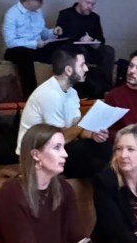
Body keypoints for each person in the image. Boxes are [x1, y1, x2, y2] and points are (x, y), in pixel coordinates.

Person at [16, 49, 110, 179]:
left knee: (103, 147)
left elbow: (76, 128)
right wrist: (85, 121)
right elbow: (60, 138)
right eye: (82, 65)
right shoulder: (49, 94)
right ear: (68, 70)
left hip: (57, 147)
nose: (86, 69)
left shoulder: (72, 93)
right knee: (94, 162)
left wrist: (93, 135)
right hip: (36, 155)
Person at [3, 0, 63, 98]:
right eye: (39, 0)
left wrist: (53, 32)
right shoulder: (12, 14)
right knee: (24, 54)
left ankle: (61, 92)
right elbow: (10, 42)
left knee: (61, 50)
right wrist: (33, 44)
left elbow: (42, 31)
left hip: (36, 47)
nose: (42, 3)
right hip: (17, 49)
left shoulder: (38, 12)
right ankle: (30, 96)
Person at [54, 0, 115, 95]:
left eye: (92, 4)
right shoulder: (65, 14)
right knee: (81, 52)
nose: (90, 7)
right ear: (79, 0)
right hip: (72, 49)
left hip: (91, 49)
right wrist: (79, 40)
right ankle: (86, 89)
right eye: (87, 3)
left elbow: (101, 38)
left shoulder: (95, 18)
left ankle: (105, 88)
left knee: (109, 50)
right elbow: (60, 38)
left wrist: (95, 42)